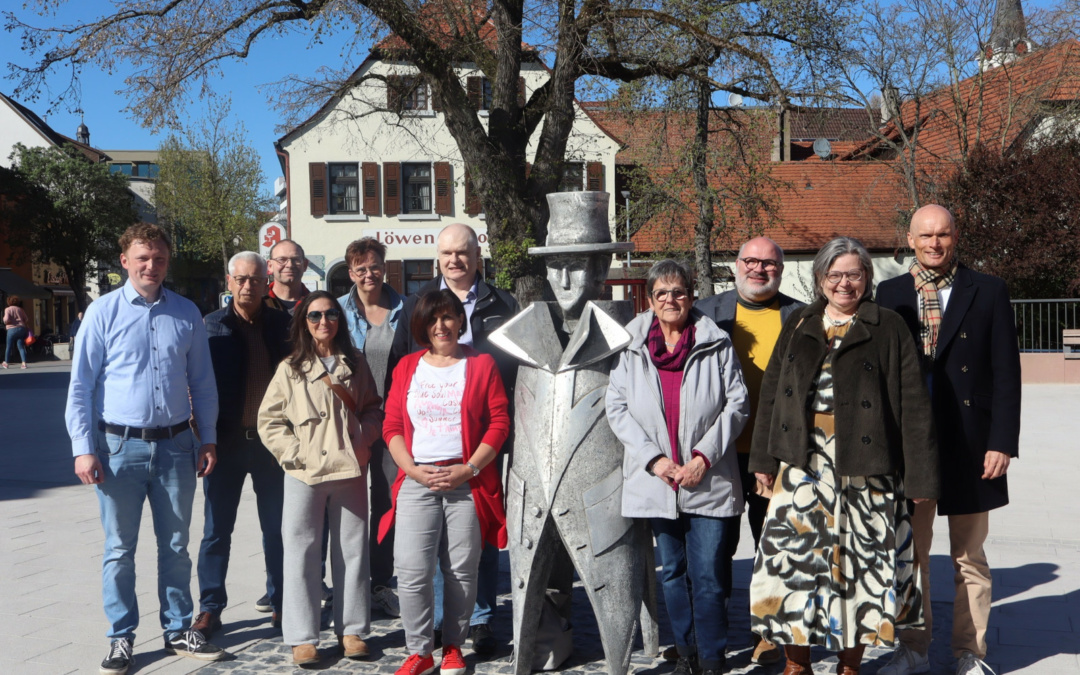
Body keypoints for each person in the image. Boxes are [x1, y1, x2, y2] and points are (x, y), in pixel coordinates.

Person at [748, 237, 940, 675]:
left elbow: (914, 406)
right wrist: (762, 459)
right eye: (834, 275)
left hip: (866, 472)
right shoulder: (798, 322)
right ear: (820, 279)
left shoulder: (888, 326)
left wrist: (922, 479)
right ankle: (797, 665)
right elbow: (775, 395)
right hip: (801, 468)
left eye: (854, 274)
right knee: (793, 567)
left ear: (867, 279)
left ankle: (849, 665)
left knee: (859, 571)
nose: (844, 283)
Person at [488, 191, 657, 675]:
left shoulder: (629, 334)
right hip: (533, 485)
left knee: (612, 570)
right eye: (556, 265)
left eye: (578, 265)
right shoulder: (521, 336)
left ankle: (621, 653)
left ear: (601, 270)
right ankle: (541, 641)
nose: (564, 279)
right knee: (532, 579)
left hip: (604, 486)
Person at [65, 223, 225, 675]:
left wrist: (206, 436)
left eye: (158, 258)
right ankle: (121, 637)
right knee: (119, 548)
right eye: (143, 258)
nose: (151, 266)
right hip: (119, 449)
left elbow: (202, 382)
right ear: (125, 261)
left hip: (176, 445)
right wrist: (83, 447)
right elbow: (81, 387)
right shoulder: (102, 313)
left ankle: (177, 628)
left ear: (167, 261)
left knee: (176, 545)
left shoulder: (187, 312)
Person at [876, 205, 1021, 675]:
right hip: (911, 446)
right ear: (910, 239)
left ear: (955, 236)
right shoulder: (890, 293)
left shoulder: (989, 290)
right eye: (925, 235)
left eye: (942, 235)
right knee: (911, 556)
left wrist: (1002, 441)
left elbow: (1007, 373)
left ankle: (969, 653)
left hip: (972, 444)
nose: (934, 244)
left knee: (969, 558)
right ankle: (914, 649)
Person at [607, 259, 749, 675]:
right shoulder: (630, 346)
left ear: (691, 296)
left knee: (708, 575)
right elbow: (616, 408)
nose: (672, 300)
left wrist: (704, 457)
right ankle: (685, 653)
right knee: (672, 573)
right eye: (662, 293)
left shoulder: (717, 341)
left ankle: (712, 657)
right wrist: (655, 461)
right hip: (657, 480)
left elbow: (737, 406)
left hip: (709, 478)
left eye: (680, 292)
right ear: (649, 300)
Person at [390, 222, 518, 655]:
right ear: (437, 258)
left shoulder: (502, 302)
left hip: (478, 450)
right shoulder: (418, 304)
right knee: (420, 558)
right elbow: (398, 380)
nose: (454, 260)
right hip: (423, 457)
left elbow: (514, 378)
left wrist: (477, 461)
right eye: (447, 253)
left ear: (477, 256)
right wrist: (410, 466)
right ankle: (434, 633)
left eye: (462, 252)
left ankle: (474, 625)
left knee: (470, 551)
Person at [694, 236, 804, 666]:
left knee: (772, 548)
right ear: (735, 264)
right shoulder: (705, 312)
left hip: (773, 456)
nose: (760, 269)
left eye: (770, 263)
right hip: (715, 455)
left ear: (780, 268)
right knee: (713, 553)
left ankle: (769, 634)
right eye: (751, 261)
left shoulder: (799, 317)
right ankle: (711, 637)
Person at [258, 290, 383, 666]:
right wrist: (294, 454)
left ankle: (353, 630)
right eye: (314, 316)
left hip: (349, 469)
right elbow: (269, 421)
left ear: (340, 319)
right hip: (304, 474)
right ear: (304, 323)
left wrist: (362, 438)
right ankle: (302, 637)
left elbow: (374, 408)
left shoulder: (356, 363)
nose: (323, 321)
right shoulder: (291, 368)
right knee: (300, 553)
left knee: (353, 551)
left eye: (330, 314)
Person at [193, 252, 291, 638]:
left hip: (272, 446)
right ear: (228, 282)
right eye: (241, 279)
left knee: (278, 529)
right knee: (217, 530)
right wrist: (204, 437)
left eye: (255, 279)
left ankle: (283, 602)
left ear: (266, 281)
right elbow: (195, 383)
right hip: (226, 443)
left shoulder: (283, 325)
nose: (248, 285)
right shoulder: (210, 326)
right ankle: (210, 608)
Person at [338, 236, 405, 618]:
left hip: (392, 423)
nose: (368, 274)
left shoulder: (404, 310)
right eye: (360, 268)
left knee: (385, 504)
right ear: (351, 272)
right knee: (347, 506)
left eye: (374, 266)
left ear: (384, 266)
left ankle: (380, 582)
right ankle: (347, 585)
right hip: (348, 425)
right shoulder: (336, 311)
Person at [266, 239, 310, 314]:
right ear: (270, 266)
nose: (290, 265)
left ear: (305, 265)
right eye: (281, 260)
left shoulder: (316, 304)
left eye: (296, 260)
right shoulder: (257, 303)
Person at [3, 295, 30, 369]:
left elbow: (6, 320)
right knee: (21, 346)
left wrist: (7, 321)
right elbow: (26, 319)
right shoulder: (21, 309)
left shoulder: (7, 309)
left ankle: (6, 363)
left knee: (9, 346)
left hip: (11, 329)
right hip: (21, 329)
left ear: (9, 302)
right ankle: (24, 363)